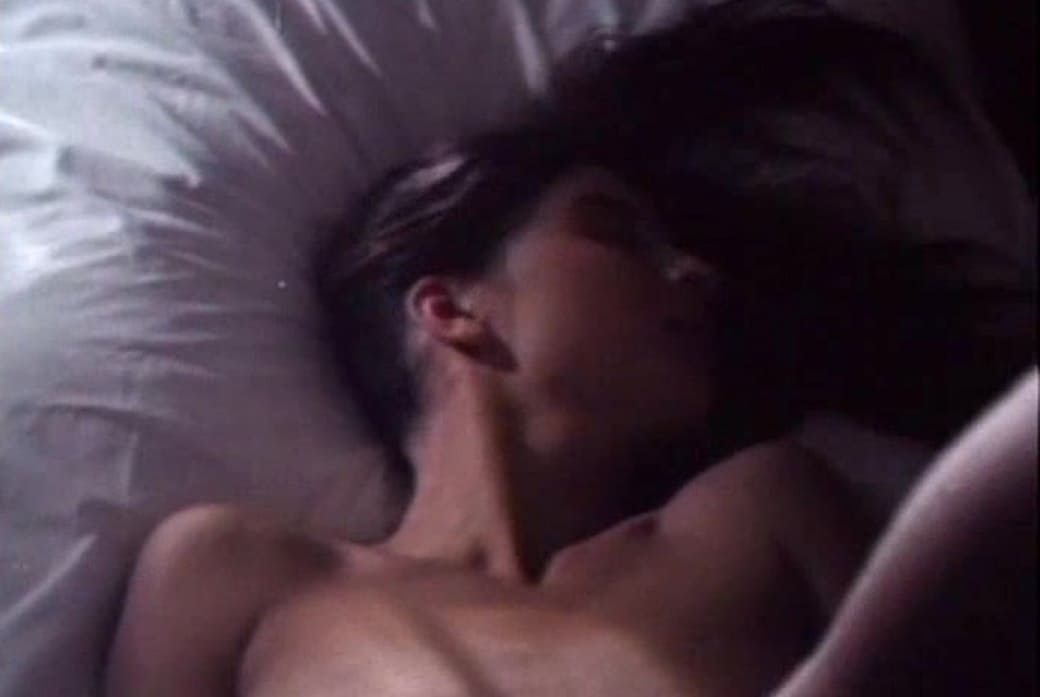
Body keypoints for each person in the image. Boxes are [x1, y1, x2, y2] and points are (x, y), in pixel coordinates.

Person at [104, 2, 1036, 696]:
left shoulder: (751, 519)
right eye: (615, 231)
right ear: (453, 310)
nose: (695, 273)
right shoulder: (240, 572)